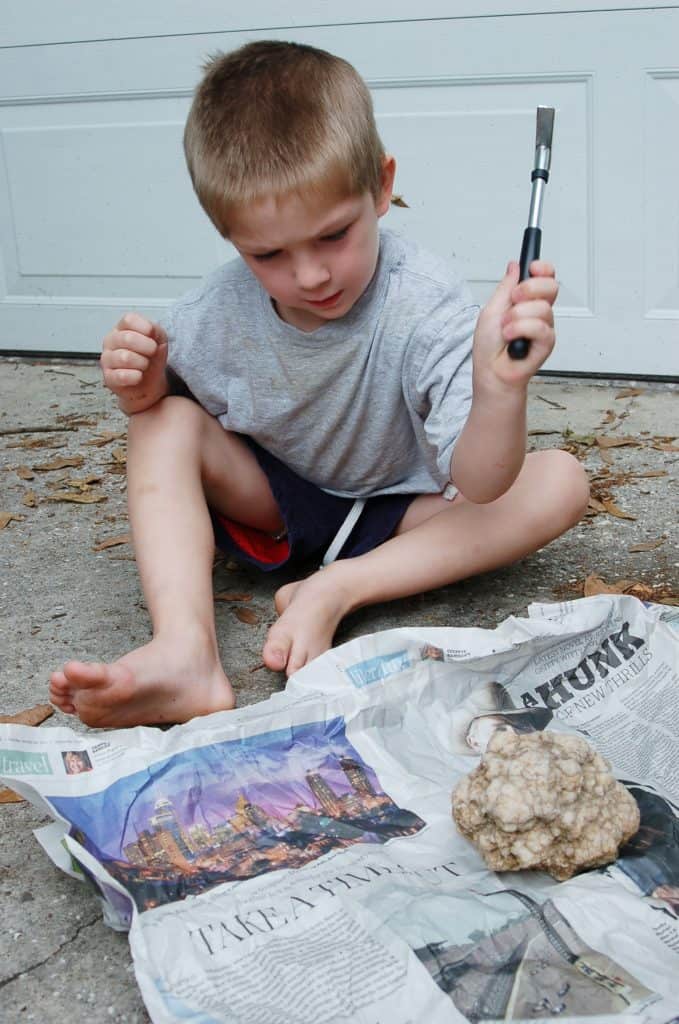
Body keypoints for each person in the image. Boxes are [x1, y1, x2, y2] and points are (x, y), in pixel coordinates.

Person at [49, 41, 589, 728]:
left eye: (334, 236)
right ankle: (184, 653)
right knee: (162, 424)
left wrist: (497, 388)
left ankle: (338, 587)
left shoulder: (424, 304)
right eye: (268, 254)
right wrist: (143, 389)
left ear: (381, 187)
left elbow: (481, 484)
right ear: (228, 232)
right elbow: (180, 442)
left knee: (560, 480)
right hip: (279, 502)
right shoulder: (212, 314)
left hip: (409, 511)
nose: (310, 277)